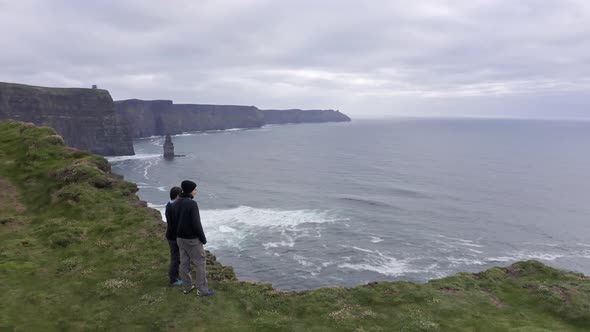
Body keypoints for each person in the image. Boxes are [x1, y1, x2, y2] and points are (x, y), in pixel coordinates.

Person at [175, 180, 215, 296]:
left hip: (180, 238)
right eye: (195, 189)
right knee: (200, 263)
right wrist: (203, 239)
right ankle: (202, 290)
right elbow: (196, 223)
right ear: (190, 190)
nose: (196, 191)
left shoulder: (177, 202)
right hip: (192, 239)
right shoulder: (192, 204)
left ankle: (187, 287)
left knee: (184, 263)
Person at [165, 186, 183, 286]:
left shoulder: (169, 204)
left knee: (177, 257)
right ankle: (173, 280)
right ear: (177, 196)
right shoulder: (174, 207)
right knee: (175, 258)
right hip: (173, 237)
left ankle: (176, 276)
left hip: (171, 235)